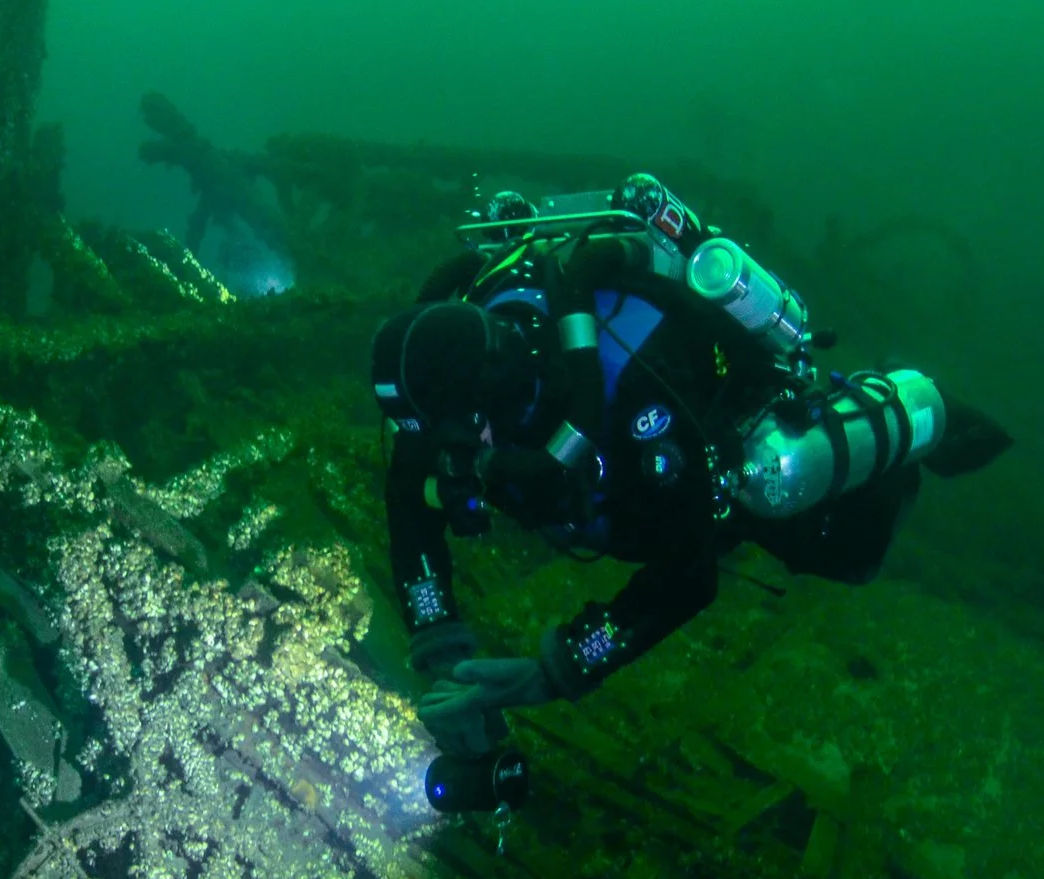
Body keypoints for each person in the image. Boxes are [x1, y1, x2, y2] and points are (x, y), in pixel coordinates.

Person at [371, 174, 1009, 807]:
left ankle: (919, 409)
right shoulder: (449, 385)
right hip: (609, 464)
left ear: (501, 396)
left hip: (708, 445)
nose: (460, 460)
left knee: (843, 548)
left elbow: (688, 573)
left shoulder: (630, 397)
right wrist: (439, 646)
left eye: (469, 440)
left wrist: (556, 670)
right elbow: (408, 497)